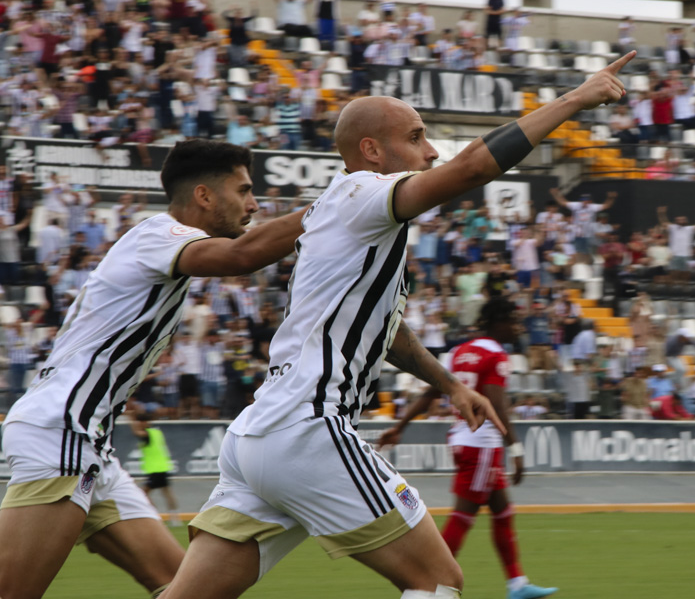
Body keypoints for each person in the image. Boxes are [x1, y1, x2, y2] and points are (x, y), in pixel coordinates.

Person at [162, 52, 634, 599]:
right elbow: (473, 167)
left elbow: (387, 332)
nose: (430, 149)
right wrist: (574, 99)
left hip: (255, 437)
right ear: (372, 151)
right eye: (416, 136)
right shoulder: (364, 194)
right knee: (437, 581)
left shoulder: (348, 215)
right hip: (308, 429)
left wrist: (451, 385)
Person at [0, 140, 307, 599]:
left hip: (88, 443)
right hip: (59, 433)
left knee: (185, 589)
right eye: (243, 190)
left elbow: (246, 248)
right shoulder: (157, 235)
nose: (254, 204)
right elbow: (241, 257)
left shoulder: (163, 245)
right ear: (204, 196)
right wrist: (341, 206)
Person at [379, 298, 557, 599]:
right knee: (463, 518)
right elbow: (497, 404)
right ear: (497, 322)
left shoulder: (459, 352)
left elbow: (430, 392)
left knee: (503, 512)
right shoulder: (497, 355)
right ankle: (426, 584)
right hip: (482, 444)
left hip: (463, 441)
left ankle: (517, 584)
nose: (516, 327)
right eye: (512, 321)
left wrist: (400, 426)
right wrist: (515, 448)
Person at [129, 412, 180, 526]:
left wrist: (130, 418)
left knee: (143, 493)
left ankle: (156, 516)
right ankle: (175, 518)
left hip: (155, 469)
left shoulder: (147, 434)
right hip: (162, 466)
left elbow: (136, 432)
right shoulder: (156, 432)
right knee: (167, 492)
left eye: (140, 422)